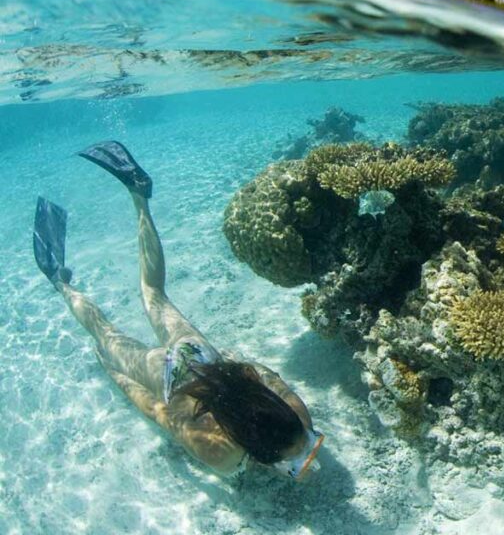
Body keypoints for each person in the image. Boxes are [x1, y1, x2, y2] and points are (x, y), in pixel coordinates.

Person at [33, 141, 324, 480]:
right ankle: (59, 281)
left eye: (306, 446)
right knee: (106, 334)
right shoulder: (217, 451)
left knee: (153, 292)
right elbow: (158, 411)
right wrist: (117, 374)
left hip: (202, 357)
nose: (307, 453)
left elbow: (267, 376)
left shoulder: (298, 416)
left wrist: (233, 365)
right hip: (169, 376)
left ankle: (139, 195)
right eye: (305, 448)